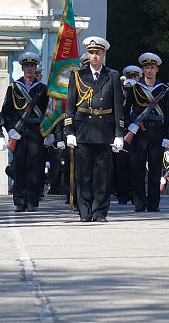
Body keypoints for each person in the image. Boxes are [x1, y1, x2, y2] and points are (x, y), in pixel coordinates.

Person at [64, 36, 123, 222]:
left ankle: (100, 211)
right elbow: (70, 107)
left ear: (103, 54)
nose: (95, 56)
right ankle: (84, 210)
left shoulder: (112, 76)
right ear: (87, 55)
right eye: (91, 53)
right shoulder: (78, 76)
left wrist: (119, 134)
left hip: (104, 130)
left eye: (98, 53)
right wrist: (69, 131)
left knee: (102, 175)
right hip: (83, 128)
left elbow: (118, 108)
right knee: (83, 174)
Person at [123, 52, 169, 212]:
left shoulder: (163, 89)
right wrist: (130, 124)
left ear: (157, 69)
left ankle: (153, 203)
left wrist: (167, 136)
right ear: (142, 70)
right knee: (137, 168)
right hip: (140, 132)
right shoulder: (136, 88)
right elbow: (126, 110)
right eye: (146, 68)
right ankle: (139, 202)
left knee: (155, 168)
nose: (149, 71)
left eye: (152, 68)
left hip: (157, 132)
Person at [1, 51, 49, 212]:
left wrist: (50, 132)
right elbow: (6, 111)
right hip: (20, 131)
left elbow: (49, 112)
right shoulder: (14, 87)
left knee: (35, 166)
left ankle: (32, 201)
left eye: (32, 66)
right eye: (27, 66)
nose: (29, 69)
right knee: (20, 166)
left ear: (36, 68)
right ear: (22, 68)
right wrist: (10, 129)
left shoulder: (43, 89)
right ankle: (20, 201)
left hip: (37, 130)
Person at [113, 65, 141, 205]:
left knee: (137, 166)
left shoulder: (142, 97)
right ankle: (123, 194)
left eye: (135, 77)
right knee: (122, 166)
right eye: (126, 89)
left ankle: (136, 194)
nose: (128, 92)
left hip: (139, 135)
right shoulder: (119, 101)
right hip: (124, 135)